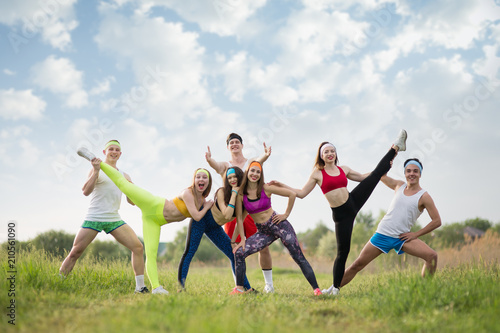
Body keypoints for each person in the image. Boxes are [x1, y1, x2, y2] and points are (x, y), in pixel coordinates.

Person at [271, 130, 407, 296]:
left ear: (336, 154)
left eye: (332, 151)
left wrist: (379, 172)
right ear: (321, 156)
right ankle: (335, 288)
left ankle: (396, 147)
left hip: (353, 201)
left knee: (377, 173)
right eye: (326, 152)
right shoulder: (317, 174)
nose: (330, 154)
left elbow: (364, 177)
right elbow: (301, 193)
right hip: (342, 215)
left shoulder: (344, 169)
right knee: (343, 252)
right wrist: (281, 185)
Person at [76, 146, 214, 295]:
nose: (201, 179)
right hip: (153, 204)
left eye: (204, 177)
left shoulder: (202, 201)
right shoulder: (188, 193)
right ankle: (93, 158)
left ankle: (156, 288)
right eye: (198, 177)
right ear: (193, 180)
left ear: (208, 181)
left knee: (151, 254)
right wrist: (206, 207)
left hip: (154, 221)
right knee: (123, 184)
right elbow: (197, 216)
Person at [335, 158, 441, 290]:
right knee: (357, 264)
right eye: (408, 171)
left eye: (415, 171)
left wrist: (415, 234)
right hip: (383, 234)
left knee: (432, 256)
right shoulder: (398, 185)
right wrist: (387, 163)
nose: (411, 174)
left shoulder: (424, 196)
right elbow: (380, 175)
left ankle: (425, 289)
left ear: (420, 174)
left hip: (402, 238)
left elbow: (437, 221)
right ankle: (333, 289)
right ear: (405, 173)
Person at [59, 140, 148, 294]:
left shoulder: (123, 174)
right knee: (75, 252)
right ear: (104, 152)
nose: (114, 152)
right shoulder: (97, 169)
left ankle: (140, 287)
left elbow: (132, 202)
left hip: (114, 219)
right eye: (111, 149)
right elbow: (86, 191)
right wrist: (95, 171)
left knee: (138, 247)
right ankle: (57, 282)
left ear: (120, 154)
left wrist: (130, 187)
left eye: (117, 150)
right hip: (94, 217)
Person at [231, 161, 322, 296]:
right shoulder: (240, 194)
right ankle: (239, 289)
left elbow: (291, 194)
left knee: (298, 256)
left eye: (258, 172)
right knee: (239, 252)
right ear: (247, 172)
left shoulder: (266, 188)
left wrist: (285, 214)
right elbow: (239, 217)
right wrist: (239, 240)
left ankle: (316, 289)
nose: (255, 174)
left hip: (279, 225)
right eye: (252, 171)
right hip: (263, 232)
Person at [206, 132, 276, 293]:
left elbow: (258, 162)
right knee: (234, 248)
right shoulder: (225, 165)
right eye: (232, 143)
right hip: (232, 212)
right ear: (228, 147)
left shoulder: (250, 162)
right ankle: (240, 287)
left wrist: (265, 156)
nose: (235, 144)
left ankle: (269, 285)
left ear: (242, 145)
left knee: (263, 247)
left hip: (251, 210)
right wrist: (209, 160)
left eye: (237, 142)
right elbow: (215, 166)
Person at [177, 166, 253, 292]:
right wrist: (234, 193)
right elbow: (227, 215)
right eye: (229, 178)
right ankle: (181, 288)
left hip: (214, 228)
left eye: (235, 177)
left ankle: (247, 289)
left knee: (233, 254)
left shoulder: (243, 200)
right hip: (201, 221)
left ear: (240, 178)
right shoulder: (221, 192)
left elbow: (239, 220)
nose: (232, 179)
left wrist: (234, 241)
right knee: (189, 252)